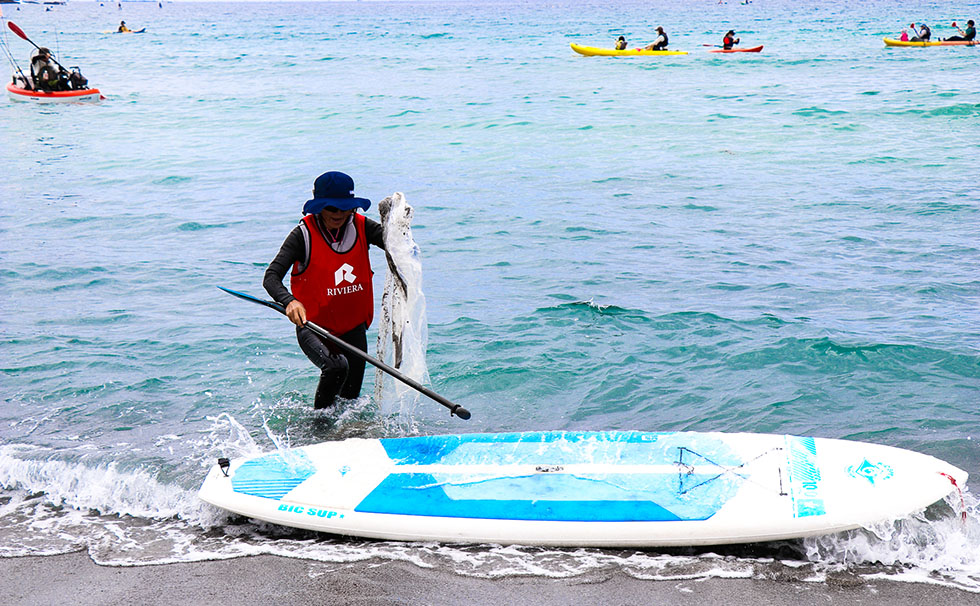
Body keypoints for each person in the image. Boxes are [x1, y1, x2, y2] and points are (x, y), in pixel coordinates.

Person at [264, 171, 387, 410]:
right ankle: (316, 430)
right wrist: (289, 301)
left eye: (345, 207)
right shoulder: (302, 235)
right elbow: (271, 277)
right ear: (319, 207)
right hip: (314, 327)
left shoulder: (362, 227)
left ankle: (347, 434)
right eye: (332, 208)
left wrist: (399, 227)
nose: (339, 214)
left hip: (353, 327)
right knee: (336, 367)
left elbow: (395, 244)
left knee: (350, 402)